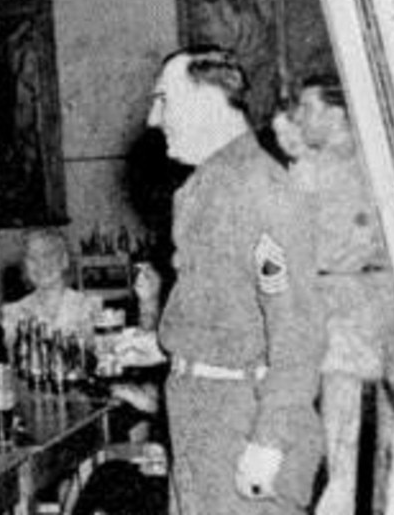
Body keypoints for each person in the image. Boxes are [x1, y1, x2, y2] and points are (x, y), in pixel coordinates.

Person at [147, 45, 324, 515]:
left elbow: (298, 329)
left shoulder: (261, 189)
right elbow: (226, 310)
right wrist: (162, 344)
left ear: (206, 101)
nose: (152, 118)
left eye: (163, 100)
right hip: (202, 418)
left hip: (243, 420)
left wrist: (269, 442)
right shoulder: (204, 188)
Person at [276, 74, 394, 515]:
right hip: (351, 313)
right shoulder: (329, 163)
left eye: (308, 108)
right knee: (353, 443)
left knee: (368, 443)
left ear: (338, 114)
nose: (298, 117)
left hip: (366, 314)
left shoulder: (355, 162)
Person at [0, 228, 102, 342]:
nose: (41, 264)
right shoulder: (13, 313)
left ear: (64, 260)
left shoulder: (89, 308)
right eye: (32, 258)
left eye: (48, 255)